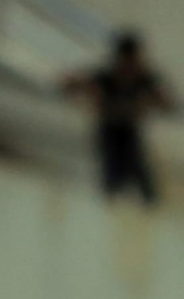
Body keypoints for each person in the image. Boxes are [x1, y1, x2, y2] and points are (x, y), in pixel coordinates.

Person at [64, 31, 172, 205]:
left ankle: (147, 206)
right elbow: (74, 84)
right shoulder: (107, 76)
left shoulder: (143, 78)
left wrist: (152, 102)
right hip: (109, 129)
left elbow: (166, 102)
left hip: (129, 130)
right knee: (112, 173)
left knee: (140, 174)